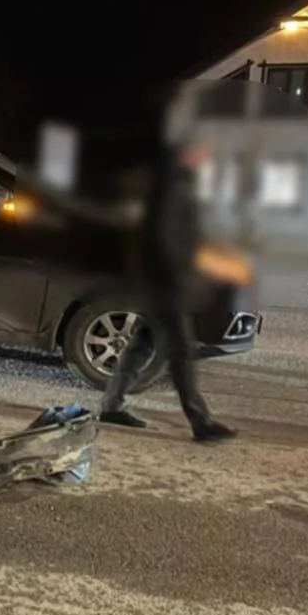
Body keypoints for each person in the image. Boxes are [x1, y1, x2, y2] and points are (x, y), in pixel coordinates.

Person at [100, 137, 237, 443]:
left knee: (142, 345)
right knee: (182, 352)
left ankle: (111, 405)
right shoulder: (174, 186)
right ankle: (201, 422)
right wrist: (182, 274)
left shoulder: (174, 182)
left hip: (159, 280)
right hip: (166, 283)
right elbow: (166, 238)